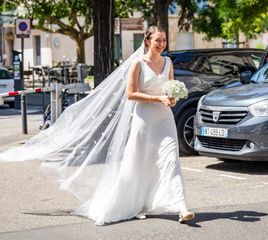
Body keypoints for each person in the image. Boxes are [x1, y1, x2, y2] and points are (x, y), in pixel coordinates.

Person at [0, 26, 194, 226]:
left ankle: (181, 207)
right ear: (147, 42)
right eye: (158, 40)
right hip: (144, 119)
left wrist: (172, 99)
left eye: (164, 40)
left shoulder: (168, 62)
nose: (162, 44)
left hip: (164, 118)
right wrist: (157, 98)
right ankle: (136, 203)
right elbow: (130, 94)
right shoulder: (137, 64)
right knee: (139, 162)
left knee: (171, 158)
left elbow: (171, 88)